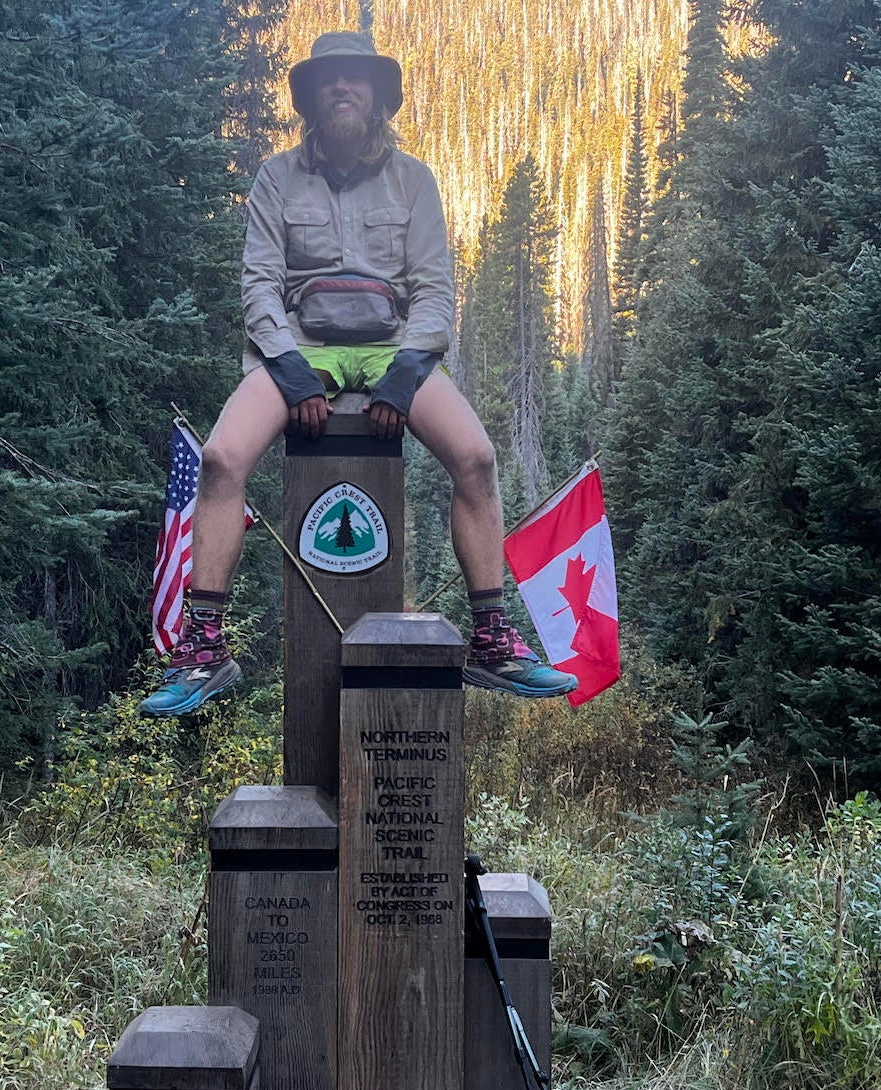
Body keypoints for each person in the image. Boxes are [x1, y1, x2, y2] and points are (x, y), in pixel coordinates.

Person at [142, 30, 578, 717]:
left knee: (476, 458)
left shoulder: (414, 180)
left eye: (355, 78)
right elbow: (259, 284)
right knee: (222, 459)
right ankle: (204, 647)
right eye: (329, 79)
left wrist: (407, 372)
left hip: (390, 346)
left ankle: (492, 640)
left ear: (378, 97)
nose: (342, 87)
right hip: (301, 344)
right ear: (311, 97)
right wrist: (289, 368)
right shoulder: (276, 178)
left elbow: (433, 288)